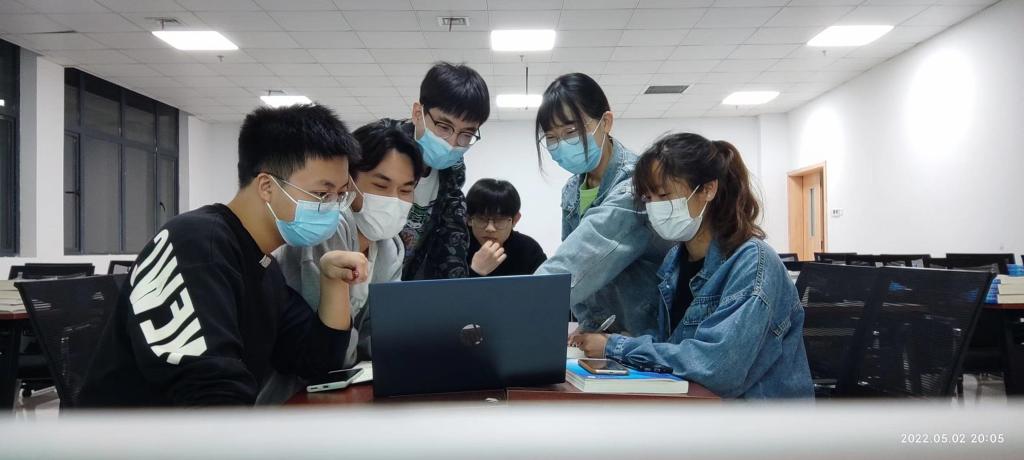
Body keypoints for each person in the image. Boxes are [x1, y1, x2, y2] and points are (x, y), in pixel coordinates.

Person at [79, 104, 368, 407]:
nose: (333, 208)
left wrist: (333, 281)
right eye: (322, 194)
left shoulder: (262, 264)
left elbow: (315, 360)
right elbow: (211, 396)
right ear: (267, 186)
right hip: (129, 433)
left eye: (340, 195)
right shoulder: (196, 244)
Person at [574, 133, 813, 399]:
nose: (655, 208)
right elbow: (673, 345)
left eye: (664, 195)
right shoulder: (675, 260)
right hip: (695, 405)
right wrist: (616, 339)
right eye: (648, 199)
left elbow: (717, 367)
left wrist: (616, 347)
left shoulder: (753, 263)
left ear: (708, 190)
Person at [262, 119, 424, 403]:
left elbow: (380, 334)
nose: (394, 200)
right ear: (349, 182)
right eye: (381, 185)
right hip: (293, 392)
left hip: (345, 388)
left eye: (405, 190)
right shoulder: (328, 230)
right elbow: (325, 346)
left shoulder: (391, 247)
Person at [533, 73, 671, 336]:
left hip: (644, 331)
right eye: (551, 137)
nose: (561, 144)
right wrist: (588, 323)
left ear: (605, 122)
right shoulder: (573, 189)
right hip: (602, 332)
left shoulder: (637, 183)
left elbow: (584, 255)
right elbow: (573, 259)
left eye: (571, 132)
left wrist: (522, 300)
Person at [398, 62, 490, 281]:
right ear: (418, 113)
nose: (452, 142)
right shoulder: (379, 149)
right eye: (444, 127)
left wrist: (456, 291)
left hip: (401, 283)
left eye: (466, 134)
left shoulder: (453, 171)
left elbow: (452, 237)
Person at [465, 178, 547, 277]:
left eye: (499, 220)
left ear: (515, 220)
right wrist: (476, 271)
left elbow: (546, 285)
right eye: (482, 219)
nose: (490, 228)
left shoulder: (529, 250)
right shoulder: (456, 247)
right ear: (468, 219)